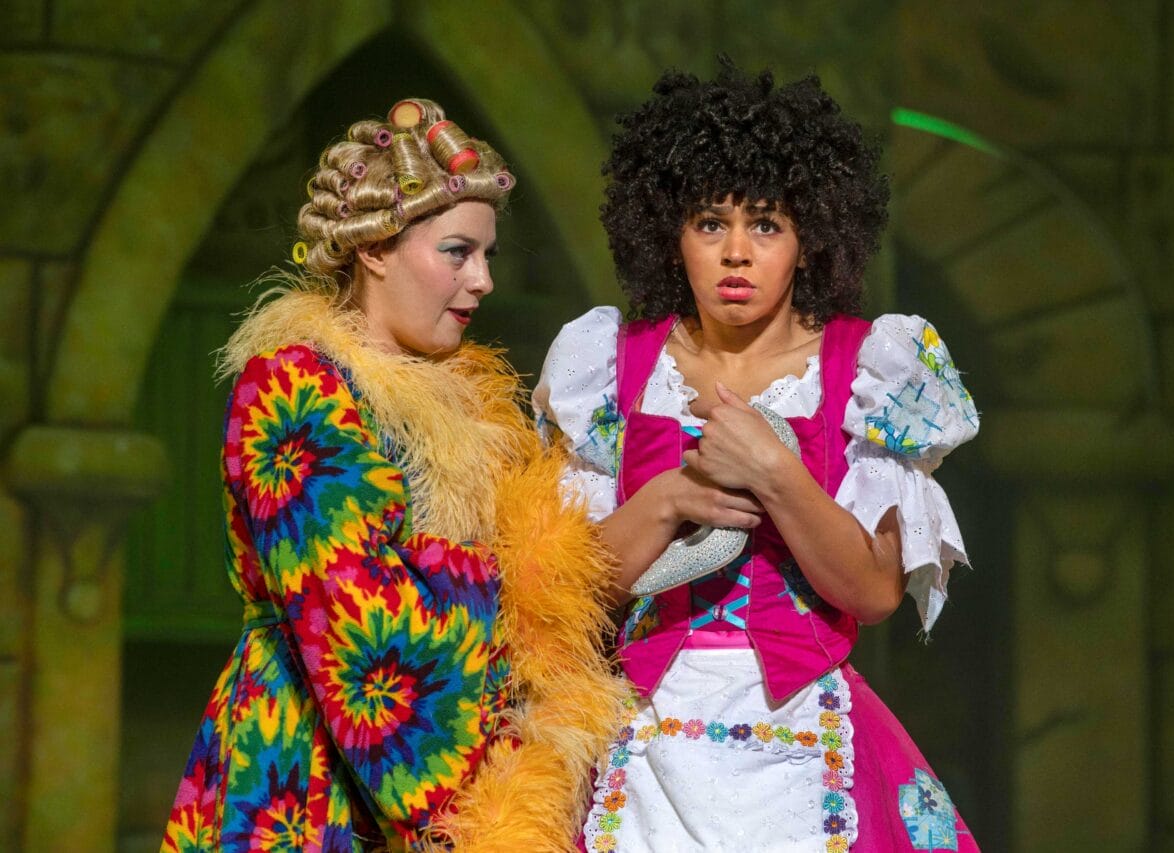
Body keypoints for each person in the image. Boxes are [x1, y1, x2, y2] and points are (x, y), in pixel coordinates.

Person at [534, 64, 981, 851]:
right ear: (670, 233)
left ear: (809, 237)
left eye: (766, 225)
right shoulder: (608, 361)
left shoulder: (868, 367)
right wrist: (671, 497)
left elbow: (873, 591)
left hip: (803, 732)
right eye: (710, 223)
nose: (736, 253)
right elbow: (576, 594)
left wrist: (777, 472)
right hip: (643, 742)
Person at [162, 98, 625, 852]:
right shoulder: (294, 387)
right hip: (317, 775)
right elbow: (351, 613)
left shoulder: (478, 404)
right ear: (374, 248)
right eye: (455, 251)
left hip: (470, 776)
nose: (482, 281)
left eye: (488, 255)